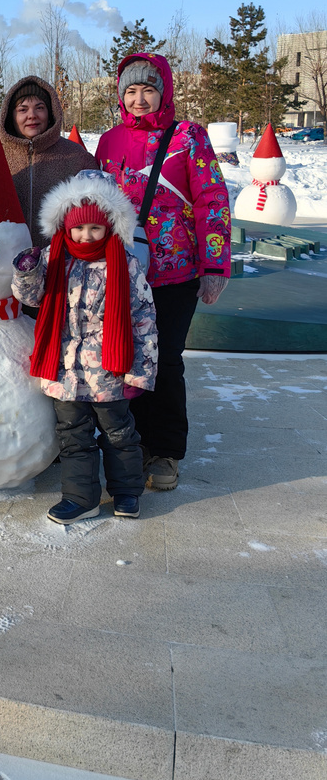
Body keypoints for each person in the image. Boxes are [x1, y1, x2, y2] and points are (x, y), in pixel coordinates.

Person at [95, 53, 231, 491]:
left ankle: (166, 451)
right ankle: (132, 445)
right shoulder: (109, 142)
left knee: (167, 360)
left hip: (175, 272)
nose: (139, 99)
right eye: (130, 91)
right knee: (125, 358)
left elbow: (212, 200)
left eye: (148, 90)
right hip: (123, 270)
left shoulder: (188, 137)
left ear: (164, 92)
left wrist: (214, 264)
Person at [12, 171, 158, 524]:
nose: (86, 235)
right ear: (65, 226)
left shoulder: (126, 265)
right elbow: (28, 297)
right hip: (64, 370)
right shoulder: (55, 258)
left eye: (95, 228)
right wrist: (27, 270)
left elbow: (144, 322)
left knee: (119, 433)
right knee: (73, 437)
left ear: (110, 227)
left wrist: (138, 374)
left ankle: (125, 493)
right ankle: (81, 498)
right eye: (78, 228)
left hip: (110, 369)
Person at [0, 76, 97, 247]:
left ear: (50, 112)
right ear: (10, 115)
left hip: (58, 263)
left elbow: (96, 216)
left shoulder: (76, 157)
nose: (32, 116)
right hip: (2, 261)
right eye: (22, 109)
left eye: (40, 108)